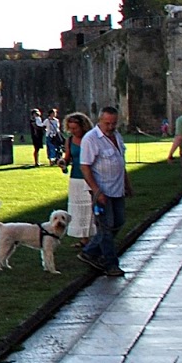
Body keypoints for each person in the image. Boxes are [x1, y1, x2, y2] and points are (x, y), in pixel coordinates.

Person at [79, 106, 132, 277]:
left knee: (119, 221)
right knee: (106, 227)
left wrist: (127, 184)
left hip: (117, 189)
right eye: (107, 123)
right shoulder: (91, 139)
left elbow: (121, 162)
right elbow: (85, 167)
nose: (110, 127)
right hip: (102, 190)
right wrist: (97, 191)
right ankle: (111, 264)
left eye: (114, 123)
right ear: (100, 121)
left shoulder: (117, 136)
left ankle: (90, 251)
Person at [60, 111, 95, 242]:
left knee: (91, 207)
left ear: (83, 126)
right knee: (78, 209)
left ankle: (93, 236)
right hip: (76, 178)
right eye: (71, 128)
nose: (73, 131)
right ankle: (83, 238)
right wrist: (63, 163)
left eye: (76, 128)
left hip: (90, 177)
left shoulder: (91, 139)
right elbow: (68, 158)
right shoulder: (70, 140)